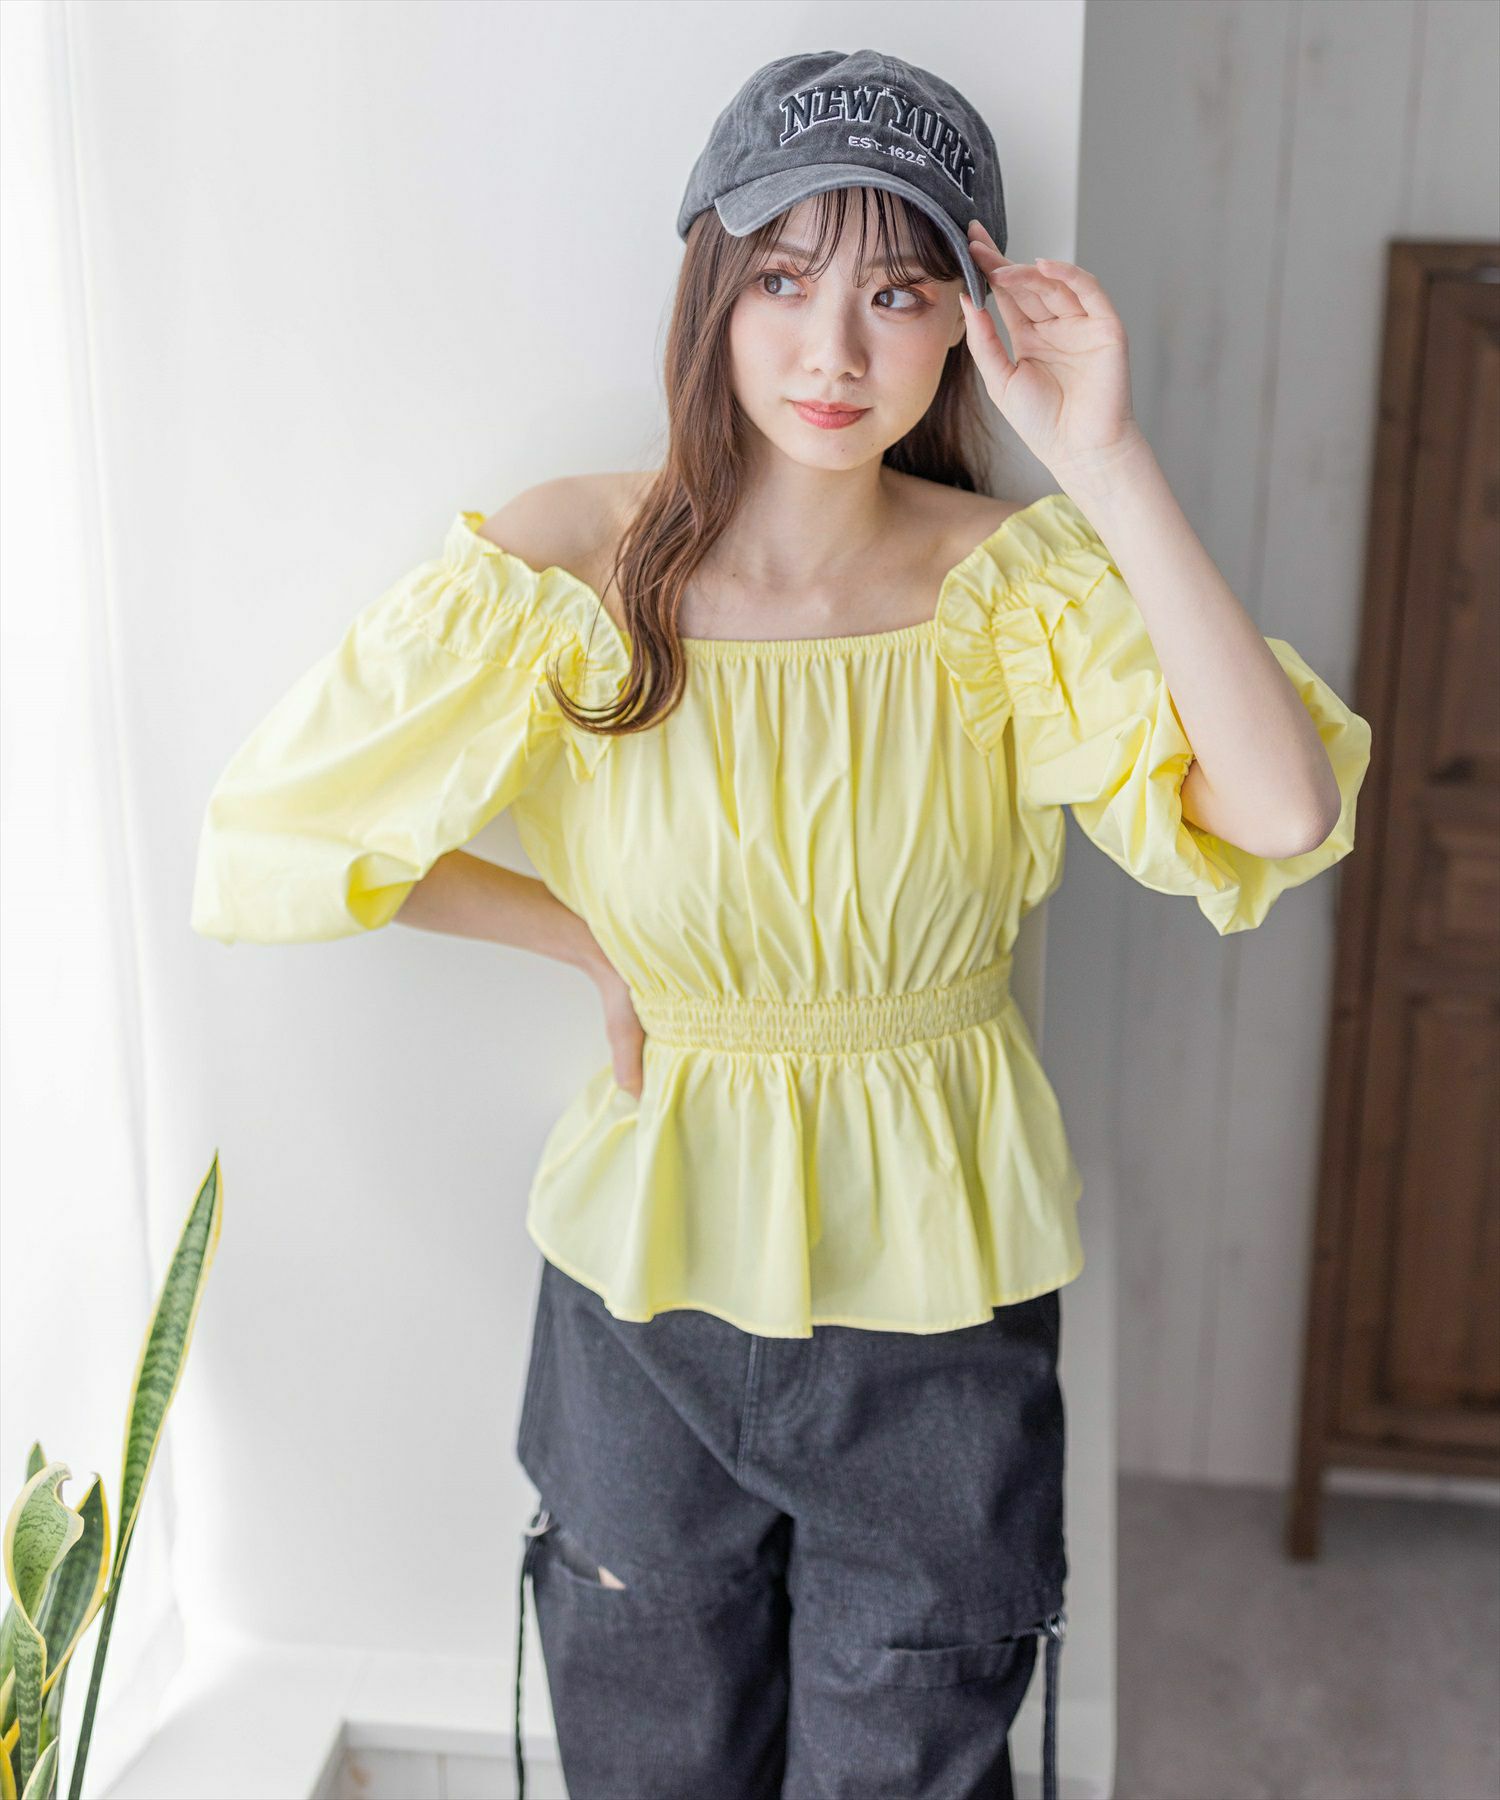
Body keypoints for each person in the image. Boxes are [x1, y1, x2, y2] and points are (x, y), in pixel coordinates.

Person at [190, 46, 1373, 1800]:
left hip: (937, 1315)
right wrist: (580, 936)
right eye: (783, 280)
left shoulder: (1010, 587)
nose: (833, 352)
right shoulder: (574, 567)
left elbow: (1280, 811)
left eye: (896, 293)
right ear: (712, 288)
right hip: (640, 1300)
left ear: (965, 321)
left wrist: (1109, 461)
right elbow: (282, 831)